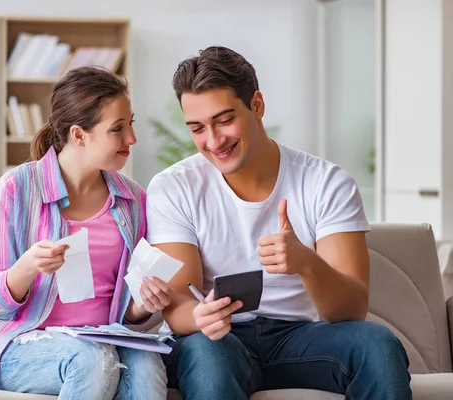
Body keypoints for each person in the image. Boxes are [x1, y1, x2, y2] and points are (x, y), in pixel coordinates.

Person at [145, 46, 412, 400]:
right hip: (215, 340)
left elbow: (350, 310)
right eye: (197, 128)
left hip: (297, 339)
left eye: (225, 120)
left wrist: (306, 263)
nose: (213, 141)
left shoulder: (325, 182)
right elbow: (177, 305)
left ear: (257, 105)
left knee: (376, 344)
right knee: (209, 356)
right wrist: (201, 316)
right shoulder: (174, 187)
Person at [0, 66, 170, 400]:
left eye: (131, 124)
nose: (131, 139)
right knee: (92, 361)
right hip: (25, 342)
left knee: (148, 364)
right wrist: (29, 266)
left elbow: (127, 313)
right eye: (118, 129)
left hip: (105, 338)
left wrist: (142, 304)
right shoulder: (17, 189)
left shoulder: (133, 199)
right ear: (79, 135)